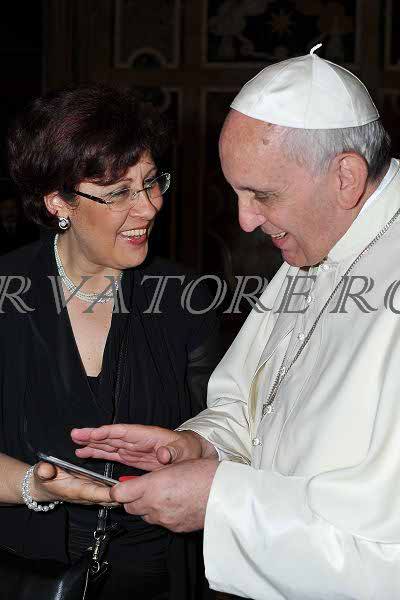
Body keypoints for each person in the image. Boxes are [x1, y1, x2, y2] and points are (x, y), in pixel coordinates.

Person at [72, 47, 400, 599]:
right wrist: (201, 447)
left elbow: (387, 556)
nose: (245, 221)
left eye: (262, 195)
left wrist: (219, 501)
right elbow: (257, 406)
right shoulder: (322, 242)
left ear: (346, 176)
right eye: (238, 193)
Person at [0, 84, 220, 599]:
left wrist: (190, 451)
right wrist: (35, 484)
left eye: (151, 182)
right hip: (29, 572)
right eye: (119, 192)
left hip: (162, 573)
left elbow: (228, 433)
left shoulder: (187, 298)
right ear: (59, 201)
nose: (148, 208)